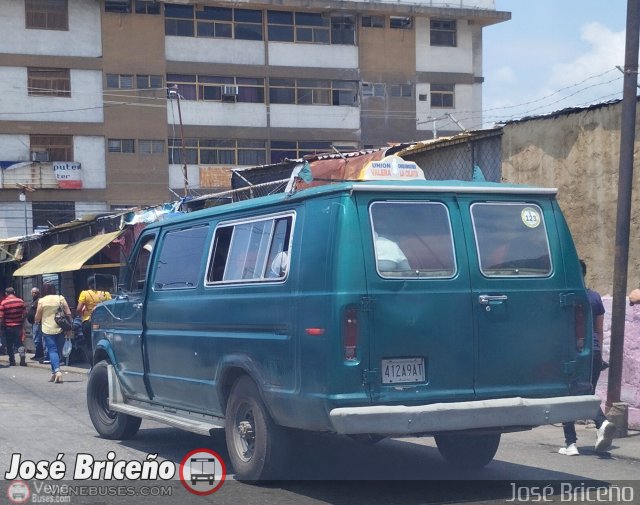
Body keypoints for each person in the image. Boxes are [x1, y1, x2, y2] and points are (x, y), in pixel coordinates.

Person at [559, 260, 615, 456]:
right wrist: (599, 354)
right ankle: (602, 424)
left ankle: (571, 443)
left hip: (571, 352)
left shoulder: (566, 297)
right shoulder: (594, 297)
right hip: (593, 352)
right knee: (587, 393)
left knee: (566, 395)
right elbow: (599, 330)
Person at [35, 282, 71, 383]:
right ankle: (53, 373)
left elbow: (37, 316)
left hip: (47, 328)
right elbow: (68, 312)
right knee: (56, 351)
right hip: (61, 327)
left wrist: (37, 320)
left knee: (52, 350)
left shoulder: (42, 300)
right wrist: (69, 328)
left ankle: (57, 371)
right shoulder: (60, 298)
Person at [76, 276, 111, 356]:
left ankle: (92, 365)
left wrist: (82, 313)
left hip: (88, 322)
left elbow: (78, 309)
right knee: (103, 343)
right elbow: (110, 307)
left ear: (88, 285)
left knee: (89, 345)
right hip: (103, 322)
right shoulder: (106, 293)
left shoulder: (84, 293)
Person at [0, 287, 27, 366]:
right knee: (19, 342)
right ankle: (22, 356)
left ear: (6, 293)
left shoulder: (3, 303)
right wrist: (21, 321)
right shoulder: (21, 301)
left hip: (8, 326)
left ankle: (12, 361)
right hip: (18, 325)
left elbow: (1, 317)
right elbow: (25, 314)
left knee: (9, 344)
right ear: (14, 292)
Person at [26, 287, 45, 361]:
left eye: (36, 292)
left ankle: (39, 354)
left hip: (37, 323)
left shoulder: (39, 300)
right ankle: (38, 354)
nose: (34, 294)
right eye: (33, 292)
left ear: (38, 293)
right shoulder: (33, 301)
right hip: (33, 323)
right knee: (36, 338)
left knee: (37, 339)